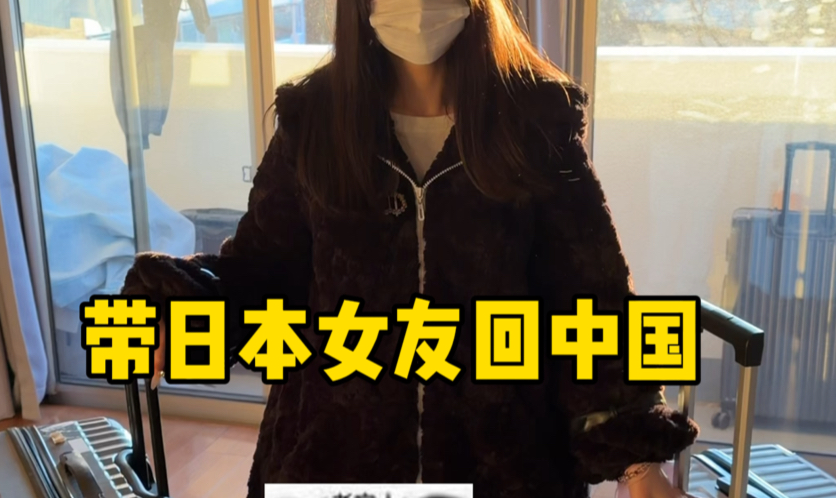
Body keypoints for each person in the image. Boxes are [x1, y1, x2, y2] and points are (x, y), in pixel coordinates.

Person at [121, 0, 701, 496]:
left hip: (505, 467)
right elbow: (261, 268)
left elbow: (592, 297)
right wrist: (177, 305)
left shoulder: (534, 121)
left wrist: (639, 464)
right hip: (334, 459)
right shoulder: (313, 120)